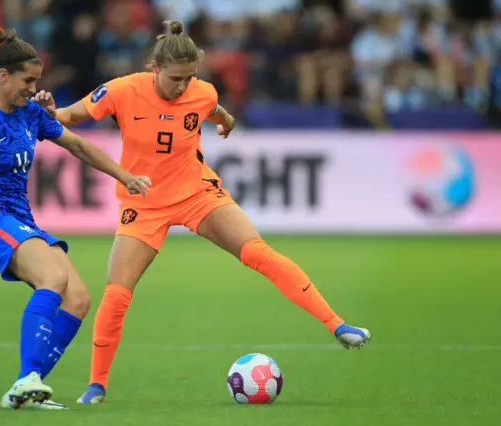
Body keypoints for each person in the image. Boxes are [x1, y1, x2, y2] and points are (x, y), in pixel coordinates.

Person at [33, 20, 371, 404]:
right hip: (143, 202)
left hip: (197, 193)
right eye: (176, 78)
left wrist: (226, 121)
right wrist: (51, 112)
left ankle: (337, 324)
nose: (183, 87)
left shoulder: (201, 92)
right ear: (154, 68)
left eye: (190, 77)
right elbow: (73, 116)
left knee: (259, 253)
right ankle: (97, 385)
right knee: (116, 295)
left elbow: (213, 107)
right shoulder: (123, 90)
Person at [0, 28, 151, 411]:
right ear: (4, 75)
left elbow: (77, 144)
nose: (33, 88)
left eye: (37, 81)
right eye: (27, 80)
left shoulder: (30, 114)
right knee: (53, 279)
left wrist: (124, 175)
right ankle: (28, 376)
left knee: (77, 299)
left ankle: (27, 386)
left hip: (22, 221)